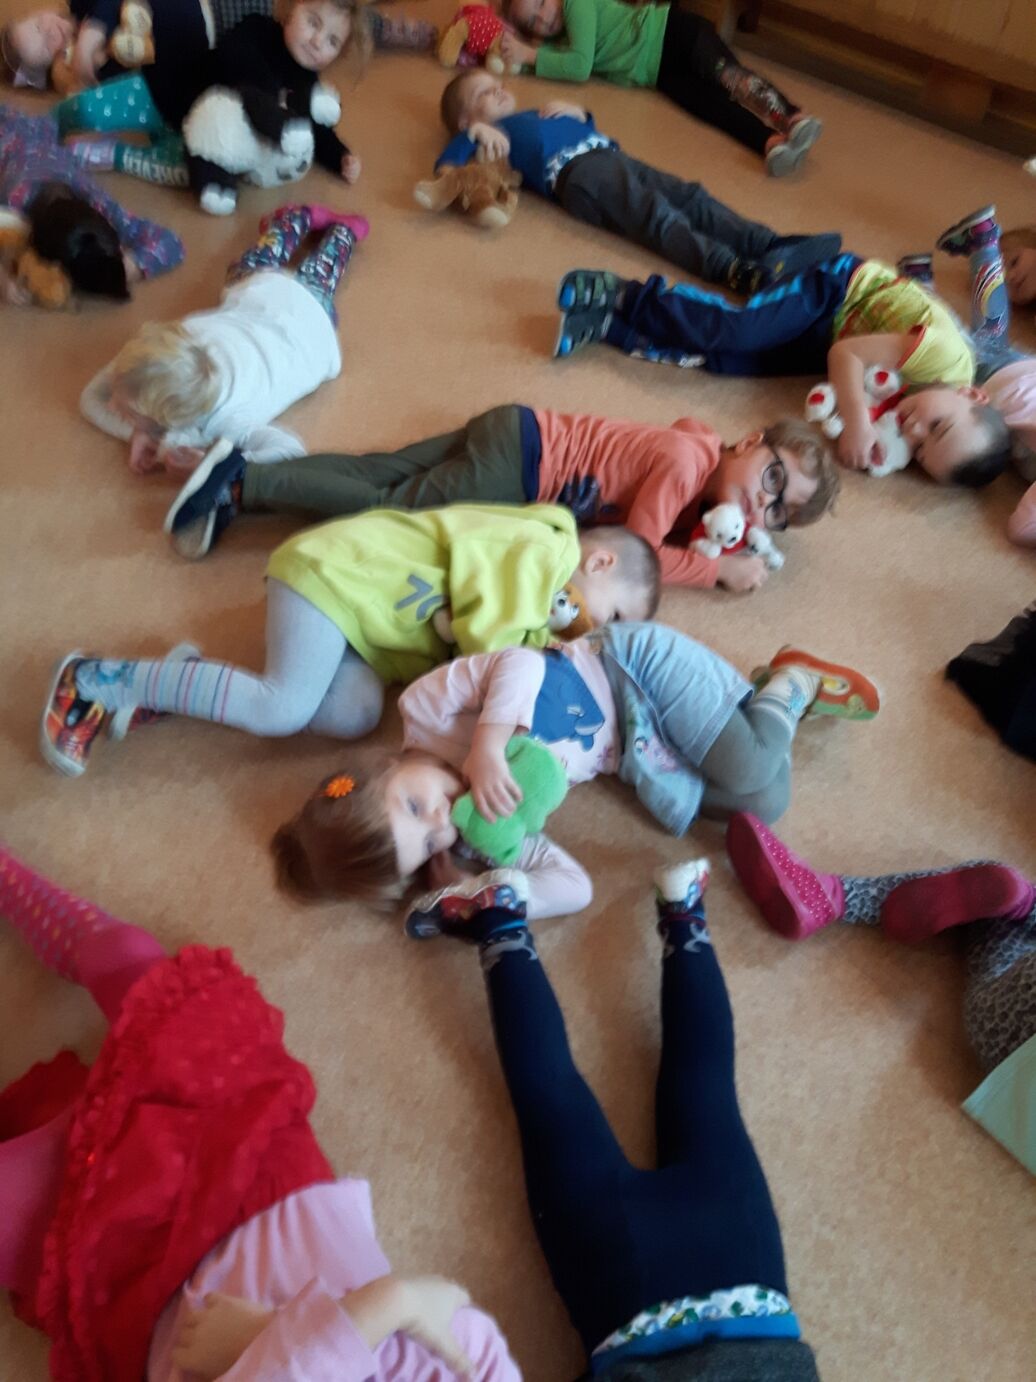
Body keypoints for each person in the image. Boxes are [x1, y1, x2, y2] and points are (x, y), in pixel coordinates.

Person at [0, 845, 519, 1381]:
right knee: (129, 959)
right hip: (263, 1179)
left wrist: (384, 1307)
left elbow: (405, 1307)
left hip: (146, 1289)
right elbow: (464, 1333)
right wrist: (295, 1332)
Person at [399, 857, 823, 1378]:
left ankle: (684, 910)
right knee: (551, 1099)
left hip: (751, 1296)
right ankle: (499, 917)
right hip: (627, 1305)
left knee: (706, 1083)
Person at [271, 629, 879, 915]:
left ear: (385, 767)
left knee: (750, 763)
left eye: (412, 806)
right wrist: (490, 895)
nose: (440, 818)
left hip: (629, 666)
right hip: (633, 749)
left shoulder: (424, 711)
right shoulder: (480, 828)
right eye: (429, 842)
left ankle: (791, 681)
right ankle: (756, 708)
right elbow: (574, 887)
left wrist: (488, 743)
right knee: (764, 802)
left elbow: (520, 662)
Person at [39, 505, 659, 777]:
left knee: (354, 715)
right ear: (599, 563)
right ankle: (94, 679)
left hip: (366, 631)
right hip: (335, 575)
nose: (595, 631)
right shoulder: (545, 549)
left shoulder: (542, 613)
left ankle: (186, 681)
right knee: (281, 708)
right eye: (611, 615)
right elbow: (491, 645)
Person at [163, 403, 839, 591]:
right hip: (520, 470)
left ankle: (247, 483)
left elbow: (671, 493)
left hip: (516, 427)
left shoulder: (699, 445)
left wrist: (711, 531)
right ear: (752, 442)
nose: (762, 505)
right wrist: (714, 569)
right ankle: (243, 481)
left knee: (379, 473)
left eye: (777, 513)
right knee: (389, 511)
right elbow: (634, 553)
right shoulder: (687, 467)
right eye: (773, 478)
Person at [725, 813, 1036, 1175]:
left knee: (1005, 910)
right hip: (1005, 1055)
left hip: (1023, 1004)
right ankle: (1017, 909)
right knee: (1000, 936)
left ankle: (835, 895)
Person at [551, 258, 1013, 487]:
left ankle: (611, 329)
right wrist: (856, 423)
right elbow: (847, 357)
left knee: (734, 363)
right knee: (739, 332)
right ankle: (623, 295)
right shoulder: (946, 360)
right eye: (937, 425)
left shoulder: (913, 414)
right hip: (840, 290)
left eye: (920, 451)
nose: (911, 431)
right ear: (972, 395)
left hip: (831, 338)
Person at [435, 71, 840, 290]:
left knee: (691, 197)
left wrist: (580, 113)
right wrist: (472, 135)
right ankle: (733, 270)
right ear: (467, 118)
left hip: (612, 156)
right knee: (655, 214)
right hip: (579, 175)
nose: (499, 89)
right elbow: (447, 168)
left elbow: (588, 129)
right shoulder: (489, 133)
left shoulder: (531, 114)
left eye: (497, 84)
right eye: (485, 92)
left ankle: (767, 244)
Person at [79, 202, 367, 475]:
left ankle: (341, 230)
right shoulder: (182, 341)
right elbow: (91, 399)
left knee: (316, 275)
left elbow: (290, 451)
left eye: (128, 412)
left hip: (311, 322)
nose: (111, 406)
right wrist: (141, 432)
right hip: (275, 307)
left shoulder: (229, 421)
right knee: (261, 264)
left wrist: (211, 465)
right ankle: (311, 222)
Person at [497, 0, 822, 177]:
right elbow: (550, 59)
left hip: (673, 33)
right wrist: (512, 47)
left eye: (542, 3)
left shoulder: (574, 4)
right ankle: (767, 141)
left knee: (731, 78)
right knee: (713, 108)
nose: (543, 18)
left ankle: (790, 116)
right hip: (659, 72)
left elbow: (578, 66)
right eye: (532, 21)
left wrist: (528, 54)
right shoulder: (558, 43)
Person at [897, 206, 1036, 546]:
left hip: (1021, 378)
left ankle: (931, 274)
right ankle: (981, 244)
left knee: (987, 334)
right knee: (949, 348)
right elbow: (1021, 528)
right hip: (1007, 384)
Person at [0, 104, 182, 304]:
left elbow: (171, 242)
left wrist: (134, 264)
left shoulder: (99, 203)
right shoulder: (14, 201)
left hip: (36, 135)